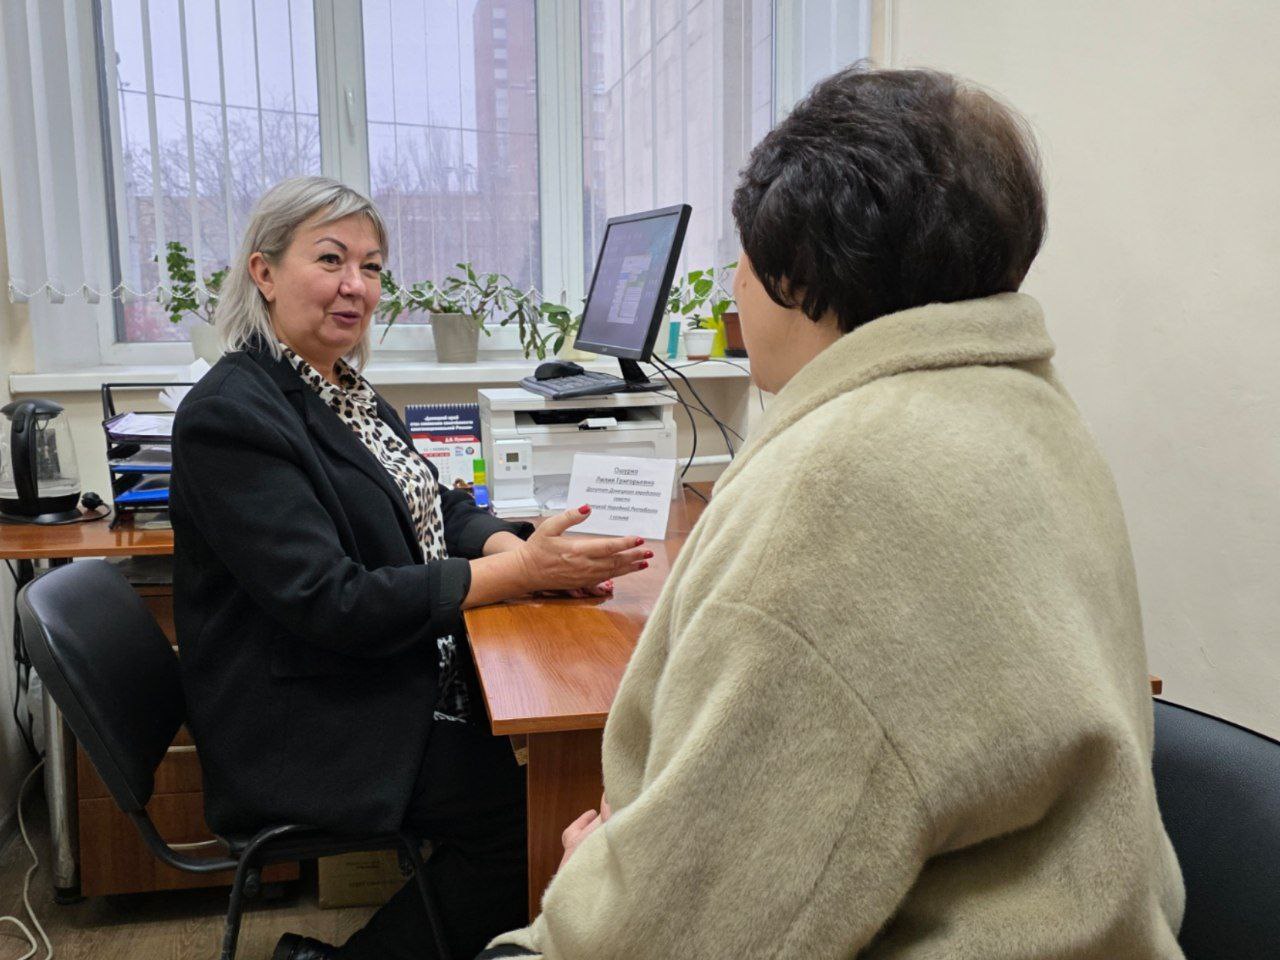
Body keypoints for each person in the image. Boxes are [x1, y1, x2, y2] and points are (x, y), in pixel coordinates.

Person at [481, 67, 1185, 959]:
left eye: (741, 254)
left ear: (800, 271)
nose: (733, 284)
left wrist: (594, 879)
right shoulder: (1035, 414)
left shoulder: (838, 488)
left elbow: (678, 931)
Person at [169, 176, 652, 960]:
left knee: (539, 759)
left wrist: (516, 552)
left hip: (370, 676)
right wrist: (521, 574)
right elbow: (335, 601)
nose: (356, 286)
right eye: (331, 260)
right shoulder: (233, 415)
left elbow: (441, 502)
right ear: (263, 272)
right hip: (304, 720)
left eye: (372, 265)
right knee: (523, 813)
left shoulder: (339, 388)